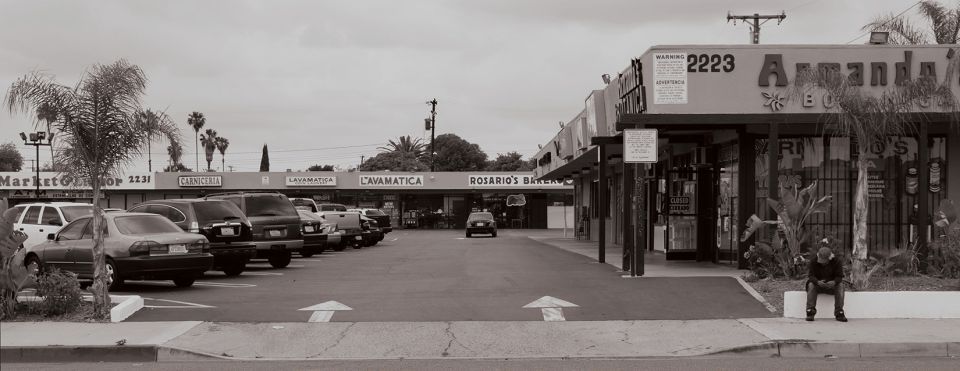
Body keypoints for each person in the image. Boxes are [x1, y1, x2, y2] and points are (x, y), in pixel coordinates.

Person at [806, 247, 847, 322]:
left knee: (841, 285)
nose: (822, 262)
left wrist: (834, 282)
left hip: (832, 286)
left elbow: (840, 276)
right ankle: (810, 312)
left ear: (830, 258)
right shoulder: (813, 261)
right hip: (818, 286)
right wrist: (817, 282)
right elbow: (810, 276)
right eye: (820, 260)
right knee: (811, 285)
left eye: (824, 261)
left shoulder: (837, 261)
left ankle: (839, 313)